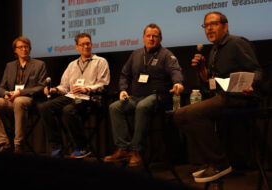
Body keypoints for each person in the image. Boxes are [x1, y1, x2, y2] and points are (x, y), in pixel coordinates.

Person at [173, 12, 262, 183]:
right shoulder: (214, 50)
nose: (209, 28)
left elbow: (257, 71)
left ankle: (220, 163)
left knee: (192, 113)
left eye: (213, 24)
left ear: (225, 26)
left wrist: (251, 83)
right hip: (223, 96)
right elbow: (211, 83)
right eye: (206, 25)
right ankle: (211, 161)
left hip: (240, 96)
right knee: (179, 115)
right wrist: (202, 71)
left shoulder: (237, 43)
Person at [103, 23, 184, 167]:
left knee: (142, 106)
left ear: (160, 38)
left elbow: (175, 71)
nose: (151, 38)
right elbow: (124, 74)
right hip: (135, 97)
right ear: (143, 37)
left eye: (155, 36)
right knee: (115, 107)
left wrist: (178, 83)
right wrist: (123, 90)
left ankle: (136, 151)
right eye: (148, 36)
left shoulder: (166, 55)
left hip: (159, 97)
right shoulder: (136, 54)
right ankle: (123, 148)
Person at [38, 33, 110, 158]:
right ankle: (57, 147)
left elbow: (103, 84)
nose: (86, 46)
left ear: (91, 45)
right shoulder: (72, 65)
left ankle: (82, 147)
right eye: (82, 44)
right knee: (44, 107)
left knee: (68, 110)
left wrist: (87, 89)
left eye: (88, 43)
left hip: (90, 98)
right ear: (77, 47)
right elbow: (64, 87)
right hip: (71, 96)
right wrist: (53, 90)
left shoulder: (100, 62)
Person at [0, 36, 47, 153]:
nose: (24, 49)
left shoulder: (39, 64)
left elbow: (41, 87)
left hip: (27, 100)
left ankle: (18, 144)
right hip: (11, 99)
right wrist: (6, 94)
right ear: (15, 50)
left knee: (19, 101)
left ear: (29, 49)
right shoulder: (10, 66)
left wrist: (21, 92)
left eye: (26, 47)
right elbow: (1, 87)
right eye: (21, 47)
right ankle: (3, 143)